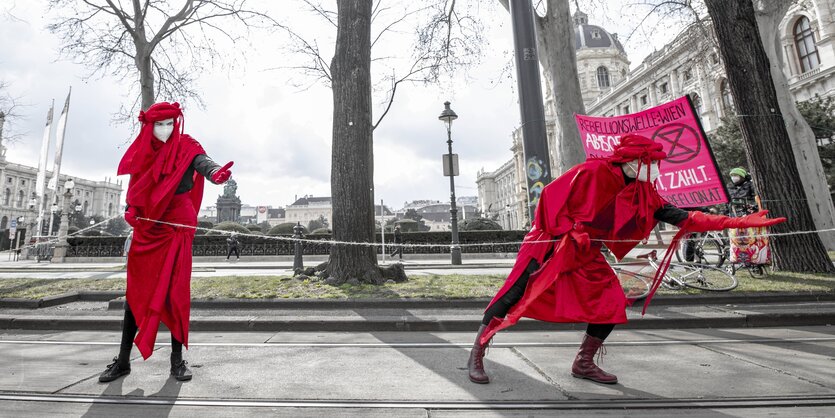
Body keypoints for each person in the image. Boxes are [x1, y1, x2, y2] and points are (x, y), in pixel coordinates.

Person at [466, 135, 785, 385]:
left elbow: (682, 218)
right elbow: (550, 198)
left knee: (611, 303)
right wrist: (569, 230)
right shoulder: (592, 172)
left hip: (586, 252)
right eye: (653, 162)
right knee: (513, 294)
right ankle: (477, 353)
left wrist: (739, 223)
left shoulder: (646, 190)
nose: (658, 168)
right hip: (549, 243)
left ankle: (584, 362)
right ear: (634, 161)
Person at [98, 102, 234, 383]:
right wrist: (131, 209)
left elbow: (202, 161)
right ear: (149, 126)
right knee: (135, 294)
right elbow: (137, 186)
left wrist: (215, 172)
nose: (165, 129)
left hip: (177, 227)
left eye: (170, 123)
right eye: (159, 124)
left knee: (175, 293)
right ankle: (123, 361)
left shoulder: (186, 144)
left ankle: (177, 362)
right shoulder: (143, 149)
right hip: (148, 227)